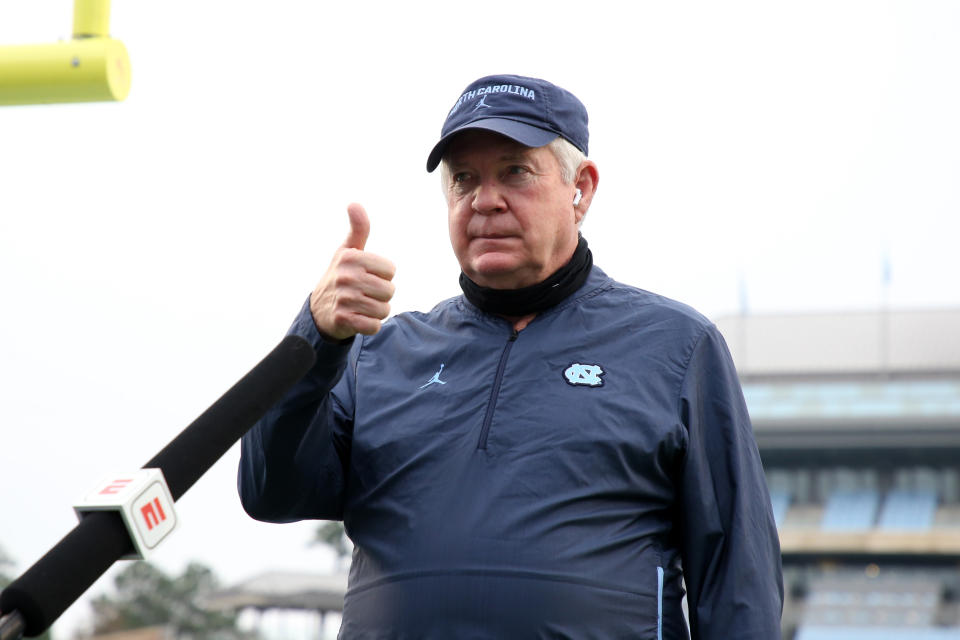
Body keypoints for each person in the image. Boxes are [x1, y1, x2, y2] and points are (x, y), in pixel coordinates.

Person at [238, 74, 783, 639]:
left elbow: (737, 576)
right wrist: (316, 339)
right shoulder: (380, 353)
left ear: (582, 188)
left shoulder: (677, 345)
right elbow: (269, 492)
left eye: (515, 171)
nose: (485, 199)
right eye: (463, 179)